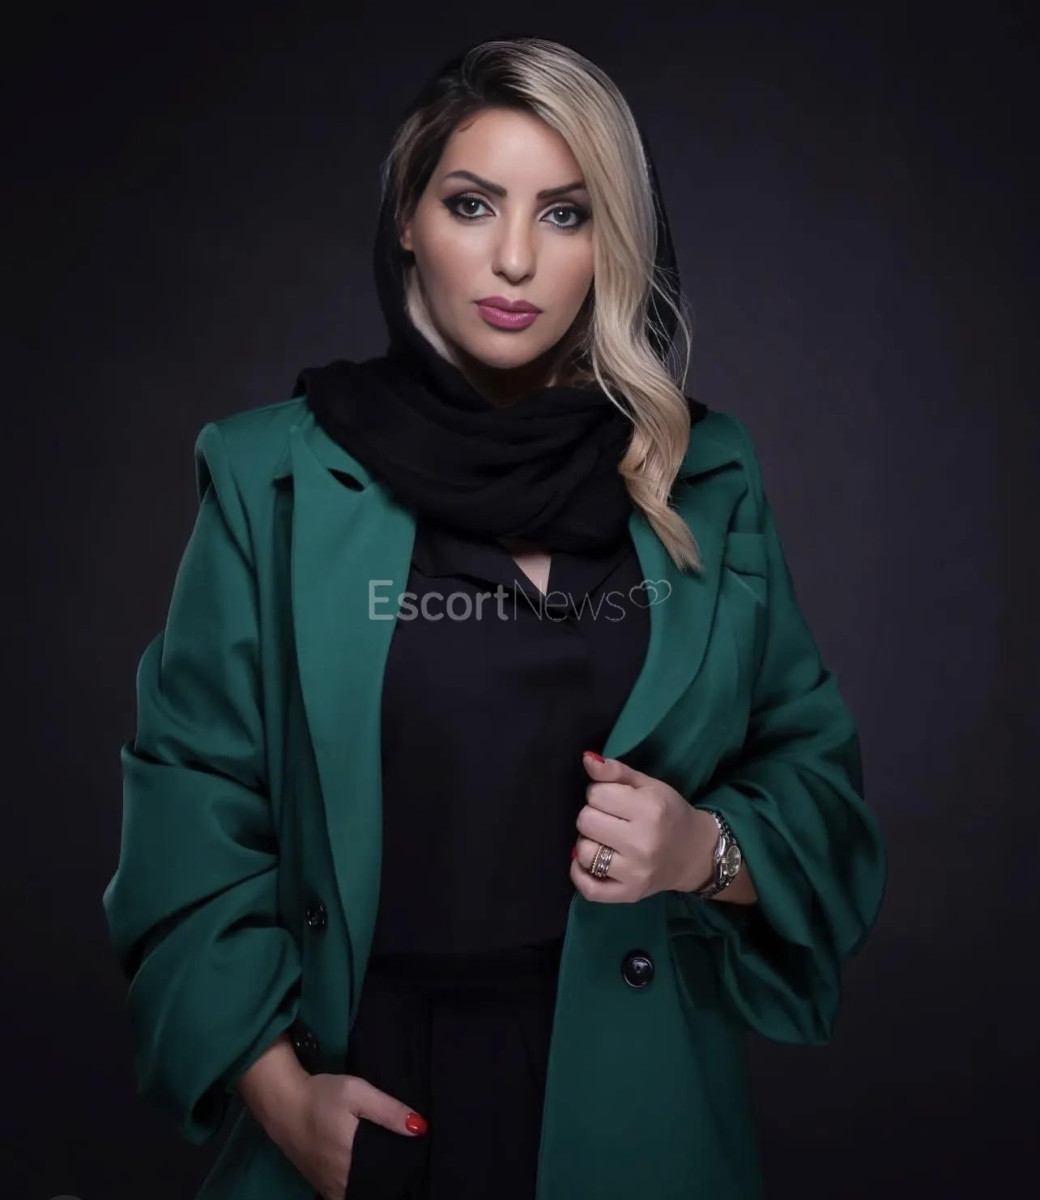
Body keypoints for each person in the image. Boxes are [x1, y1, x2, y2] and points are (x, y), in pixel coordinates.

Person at [102, 35, 887, 1200]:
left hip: (633, 1100)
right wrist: (278, 1094)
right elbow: (189, 808)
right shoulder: (270, 477)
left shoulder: (701, 476)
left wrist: (704, 852)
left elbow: (817, 784)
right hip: (362, 1087)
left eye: (565, 215)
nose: (514, 257)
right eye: (471, 204)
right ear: (407, 221)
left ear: (613, 243)